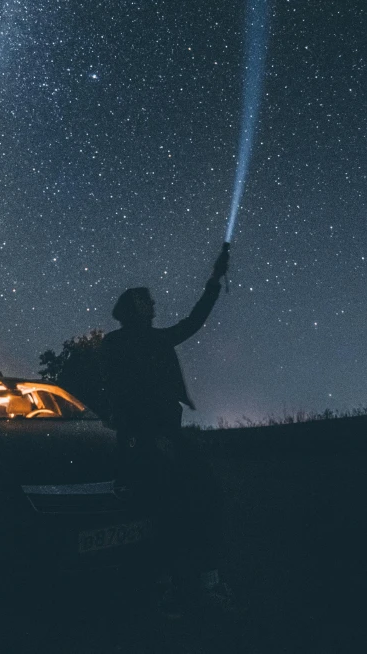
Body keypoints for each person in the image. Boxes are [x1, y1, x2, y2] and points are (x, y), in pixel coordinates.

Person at [99, 245, 234, 618]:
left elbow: (193, 321)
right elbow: (123, 391)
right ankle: (173, 586)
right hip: (146, 436)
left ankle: (193, 581)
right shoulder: (117, 344)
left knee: (198, 498)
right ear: (132, 308)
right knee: (165, 507)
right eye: (148, 301)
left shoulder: (154, 338)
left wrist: (214, 279)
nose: (154, 306)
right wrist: (147, 434)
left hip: (165, 433)